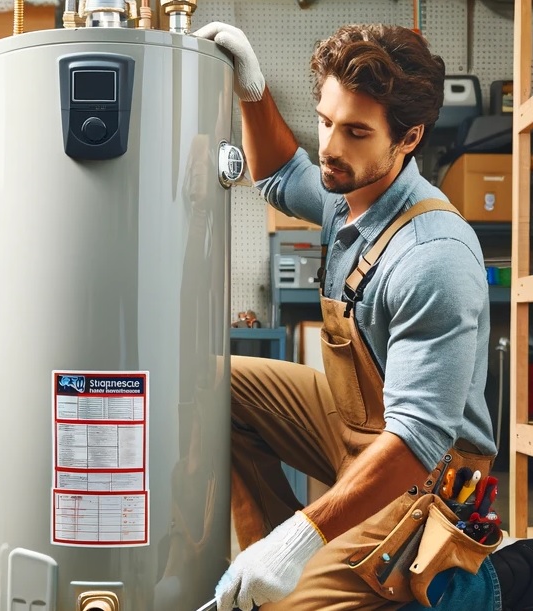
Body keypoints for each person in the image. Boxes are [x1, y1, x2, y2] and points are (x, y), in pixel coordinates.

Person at [193, 21, 533, 611]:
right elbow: (277, 175)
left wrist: (301, 537)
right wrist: (252, 89)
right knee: (212, 381)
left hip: (422, 475)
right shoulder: (348, 189)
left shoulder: (433, 255)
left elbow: (418, 438)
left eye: (355, 131)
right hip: (356, 426)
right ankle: (269, 563)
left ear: (408, 139)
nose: (330, 148)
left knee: (284, 606)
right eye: (326, 121)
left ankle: (484, 583)